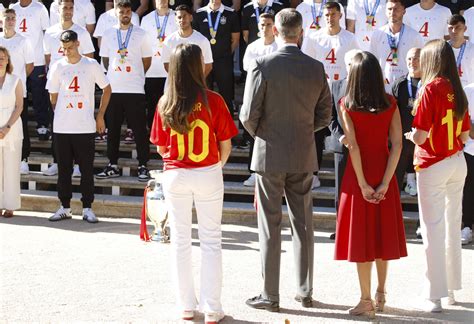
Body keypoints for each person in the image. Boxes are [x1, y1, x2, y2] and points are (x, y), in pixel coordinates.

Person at [241, 9, 332, 311]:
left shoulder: (262, 64)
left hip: (270, 152)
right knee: (303, 224)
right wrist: (303, 131)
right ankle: (304, 291)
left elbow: (247, 115)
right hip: (304, 151)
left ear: (277, 31)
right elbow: (324, 116)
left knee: (270, 224)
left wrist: (265, 135)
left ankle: (270, 294)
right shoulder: (316, 68)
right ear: (301, 32)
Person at [150, 43, 238, 323]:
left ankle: (186, 306)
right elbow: (226, 144)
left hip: (175, 173)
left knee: (180, 241)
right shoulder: (214, 99)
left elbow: (161, 149)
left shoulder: (165, 102)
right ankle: (213, 308)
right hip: (207, 171)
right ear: (198, 66)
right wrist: (215, 167)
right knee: (211, 241)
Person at [334, 51, 407, 319]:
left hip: (358, 175)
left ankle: (365, 299)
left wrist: (363, 184)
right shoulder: (391, 102)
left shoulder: (347, 104)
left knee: (362, 239)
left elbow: (352, 145)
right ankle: (381, 293)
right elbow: (397, 143)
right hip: (384, 171)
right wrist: (386, 182)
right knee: (382, 235)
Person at [405, 39, 470, 312]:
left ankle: (434, 296)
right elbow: (466, 135)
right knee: (452, 228)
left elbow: (420, 135)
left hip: (433, 163)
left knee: (432, 229)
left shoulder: (429, 88)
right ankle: (452, 290)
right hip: (457, 160)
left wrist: (411, 136)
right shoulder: (457, 88)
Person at [47, 30, 111, 223]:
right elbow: (52, 95)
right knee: (64, 170)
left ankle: (87, 208)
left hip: (85, 127)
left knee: (86, 170)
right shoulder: (57, 66)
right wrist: (62, 111)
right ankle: (64, 207)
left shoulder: (91, 65)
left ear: (77, 43)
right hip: (62, 127)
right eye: (63, 48)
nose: (66, 51)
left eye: (69, 47)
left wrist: (100, 116)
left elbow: (107, 89)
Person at [302, 1, 359, 189]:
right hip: (319, 91)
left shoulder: (350, 38)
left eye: (333, 14)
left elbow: (356, 66)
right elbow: (307, 64)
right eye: (326, 15)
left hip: (342, 91)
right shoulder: (314, 37)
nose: (329, 18)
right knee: (315, 133)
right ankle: (314, 173)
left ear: (340, 16)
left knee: (343, 130)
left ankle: (345, 174)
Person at [96, 0, 152, 182]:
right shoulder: (108, 33)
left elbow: (146, 61)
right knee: (112, 129)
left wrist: (135, 75)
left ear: (131, 13)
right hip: (114, 89)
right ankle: (112, 164)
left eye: (128, 11)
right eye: (122, 11)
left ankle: (143, 164)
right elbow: (105, 60)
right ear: (116, 12)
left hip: (135, 88)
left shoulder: (141, 34)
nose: (125, 14)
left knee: (139, 129)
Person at [42, 0, 96, 177]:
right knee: (57, 123)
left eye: (71, 8)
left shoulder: (81, 32)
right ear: (58, 9)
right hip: (58, 86)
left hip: (79, 89)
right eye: (65, 7)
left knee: (80, 126)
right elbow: (48, 58)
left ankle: (79, 165)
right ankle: (58, 161)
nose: (68, 11)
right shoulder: (50, 33)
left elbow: (89, 58)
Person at [327, 48, 362, 240]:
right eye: (349, 64)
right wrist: (341, 137)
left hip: (363, 145)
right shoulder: (336, 86)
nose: (352, 67)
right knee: (341, 187)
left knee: (360, 184)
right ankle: (341, 226)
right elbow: (330, 116)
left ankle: (358, 225)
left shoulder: (368, 86)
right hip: (342, 146)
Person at [241, 12, 277, 187]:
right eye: (262, 25)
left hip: (275, 98)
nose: (265, 28)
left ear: (275, 26)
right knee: (254, 135)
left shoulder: (280, 46)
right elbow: (249, 70)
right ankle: (253, 172)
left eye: (268, 24)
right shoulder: (252, 47)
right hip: (255, 97)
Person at [9, 0, 50, 141]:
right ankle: (18, 124)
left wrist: (46, 56)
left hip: (37, 59)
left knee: (39, 94)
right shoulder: (13, 8)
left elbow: (47, 32)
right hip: (17, 61)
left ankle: (42, 125)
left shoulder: (40, 8)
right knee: (19, 95)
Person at [0, 8, 33, 175]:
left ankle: (23, 159)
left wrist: (15, 84)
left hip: (18, 92)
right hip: (0, 93)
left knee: (22, 126)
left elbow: (29, 66)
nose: (10, 21)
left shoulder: (23, 41)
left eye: (13, 18)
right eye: (7, 18)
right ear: (2, 20)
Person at [193, 0, 240, 115]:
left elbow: (235, 40)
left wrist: (225, 54)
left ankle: (227, 127)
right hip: (203, 61)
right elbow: (194, 38)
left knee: (226, 94)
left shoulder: (231, 13)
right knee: (204, 93)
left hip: (223, 61)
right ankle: (205, 121)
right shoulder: (199, 14)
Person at [370, 0, 422, 92]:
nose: (392, 13)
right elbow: (372, 62)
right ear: (385, 11)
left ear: (404, 11)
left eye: (396, 9)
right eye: (389, 9)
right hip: (383, 88)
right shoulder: (377, 34)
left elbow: (422, 63)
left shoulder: (414, 36)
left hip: (406, 88)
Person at [141, 0, 178, 129]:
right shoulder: (146, 19)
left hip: (171, 69)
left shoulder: (176, 16)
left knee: (171, 103)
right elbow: (143, 44)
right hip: (152, 69)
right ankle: (153, 131)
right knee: (153, 104)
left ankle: (170, 131)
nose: (162, 1)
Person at [392, 47, 421, 197]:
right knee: (395, 179)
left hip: (421, 139)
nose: (412, 62)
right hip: (401, 139)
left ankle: (412, 181)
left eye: (416, 58)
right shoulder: (399, 83)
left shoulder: (428, 84)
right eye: (409, 58)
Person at [0, 46, 24, 218]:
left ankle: (10, 206)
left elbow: (19, 106)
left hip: (12, 127)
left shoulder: (15, 80)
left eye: (2, 58)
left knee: (11, 167)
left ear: (8, 60)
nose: (0, 61)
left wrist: (7, 127)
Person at [161, 4, 213, 76]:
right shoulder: (168, 41)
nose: (182, 19)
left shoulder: (202, 40)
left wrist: (198, 81)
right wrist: (178, 80)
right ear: (175, 20)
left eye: (185, 16)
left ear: (191, 18)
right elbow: (167, 64)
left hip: (196, 85)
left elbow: (208, 65)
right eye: (179, 17)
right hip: (175, 84)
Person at [461, 83, 474, 245]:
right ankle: (467, 226)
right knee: (469, 189)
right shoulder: (468, 90)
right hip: (470, 148)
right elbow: (463, 117)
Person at [447, 14, 474, 88]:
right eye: (451, 28)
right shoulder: (442, 48)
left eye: (458, 27)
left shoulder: (472, 49)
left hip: (468, 93)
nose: (454, 31)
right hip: (448, 91)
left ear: (465, 29)